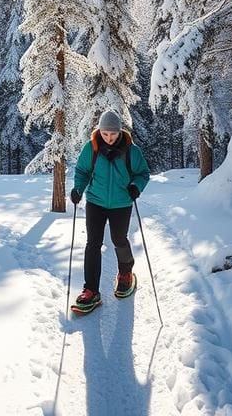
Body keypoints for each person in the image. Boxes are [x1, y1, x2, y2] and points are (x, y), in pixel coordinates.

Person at [69, 109, 150, 314]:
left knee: (119, 239)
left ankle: (125, 274)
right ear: (100, 131)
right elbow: (82, 171)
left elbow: (143, 173)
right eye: (105, 134)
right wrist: (78, 189)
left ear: (120, 131)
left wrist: (135, 186)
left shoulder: (132, 151)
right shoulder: (92, 148)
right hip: (96, 201)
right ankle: (91, 290)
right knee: (93, 243)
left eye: (113, 134)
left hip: (122, 203)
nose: (109, 138)